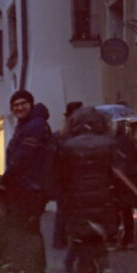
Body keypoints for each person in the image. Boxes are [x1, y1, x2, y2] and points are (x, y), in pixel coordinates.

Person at [57, 107, 120, 273]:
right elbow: (116, 171)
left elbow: (62, 175)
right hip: (103, 194)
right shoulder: (109, 143)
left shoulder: (68, 145)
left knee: (83, 236)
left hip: (78, 196)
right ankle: (103, 264)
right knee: (98, 233)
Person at [1, 89, 53, 273]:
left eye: (22, 104)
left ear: (30, 105)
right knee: (26, 232)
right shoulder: (27, 125)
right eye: (15, 105)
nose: (19, 108)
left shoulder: (35, 126)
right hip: (26, 187)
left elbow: (22, 157)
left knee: (30, 233)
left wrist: (4, 181)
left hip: (31, 188)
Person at [52, 101, 83, 253]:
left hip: (67, 178)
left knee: (65, 211)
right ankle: (63, 241)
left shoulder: (64, 134)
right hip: (65, 178)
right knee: (64, 210)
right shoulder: (64, 135)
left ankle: (64, 241)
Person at [113, 120, 137, 249]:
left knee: (116, 209)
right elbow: (136, 158)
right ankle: (129, 238)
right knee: (127, 211)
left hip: (117, 180)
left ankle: (116, 237)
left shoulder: (112, 143)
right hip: (129, 179)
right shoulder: (130, 142)